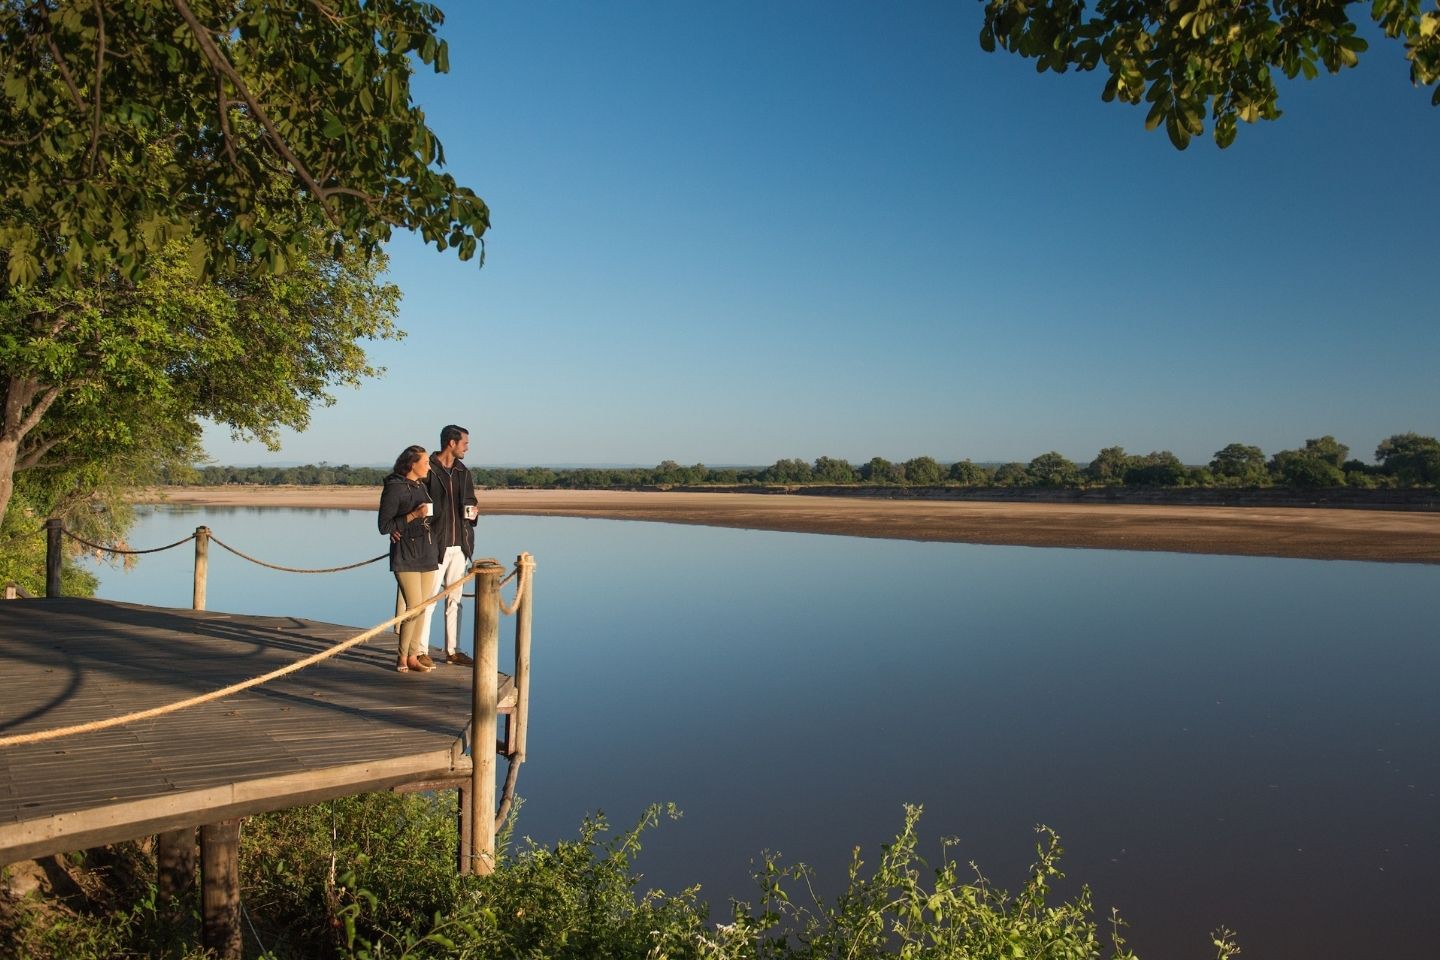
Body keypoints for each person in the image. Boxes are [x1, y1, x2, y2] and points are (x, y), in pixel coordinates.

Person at [420, 424, 480, 665]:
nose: (467, 447)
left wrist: (474, 513)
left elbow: (471, 501)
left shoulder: (463, 471)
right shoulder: (427, 469)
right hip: (435, 546)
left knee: (455, 600)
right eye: (465, 443)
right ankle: (420, 651)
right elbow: (418, 503)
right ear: (451, 443)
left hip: (460, 545)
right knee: (429, 601)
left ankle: (453, 651)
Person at [378, 444, 439, 673]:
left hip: (427, 551)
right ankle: (402, 657)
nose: (428, 467)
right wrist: (413, 515)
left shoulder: (420, 486)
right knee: (413, 606)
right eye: (425, 462)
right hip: (405, 553)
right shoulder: (395, 487)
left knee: (423, 607)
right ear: (412, 464)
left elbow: (427, 516)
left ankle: (414, 656)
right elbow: (384, 526)